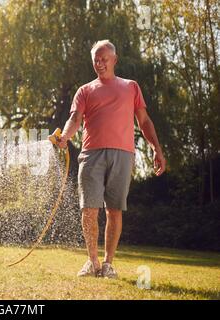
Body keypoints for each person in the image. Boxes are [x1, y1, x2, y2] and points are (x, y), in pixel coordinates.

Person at [57, 40, 166, 278]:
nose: (100, 63)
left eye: (104, 59)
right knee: (88, 210)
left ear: (115, 60)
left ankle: (108, 264)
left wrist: (156, 148)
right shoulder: (85, 90)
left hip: (122, 155)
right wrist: (65, 137)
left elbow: (144, 122)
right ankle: (92, 261)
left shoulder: (131, 87)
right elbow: (75, 119)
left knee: (114, 211)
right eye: (96, 59)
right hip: (91, 155)